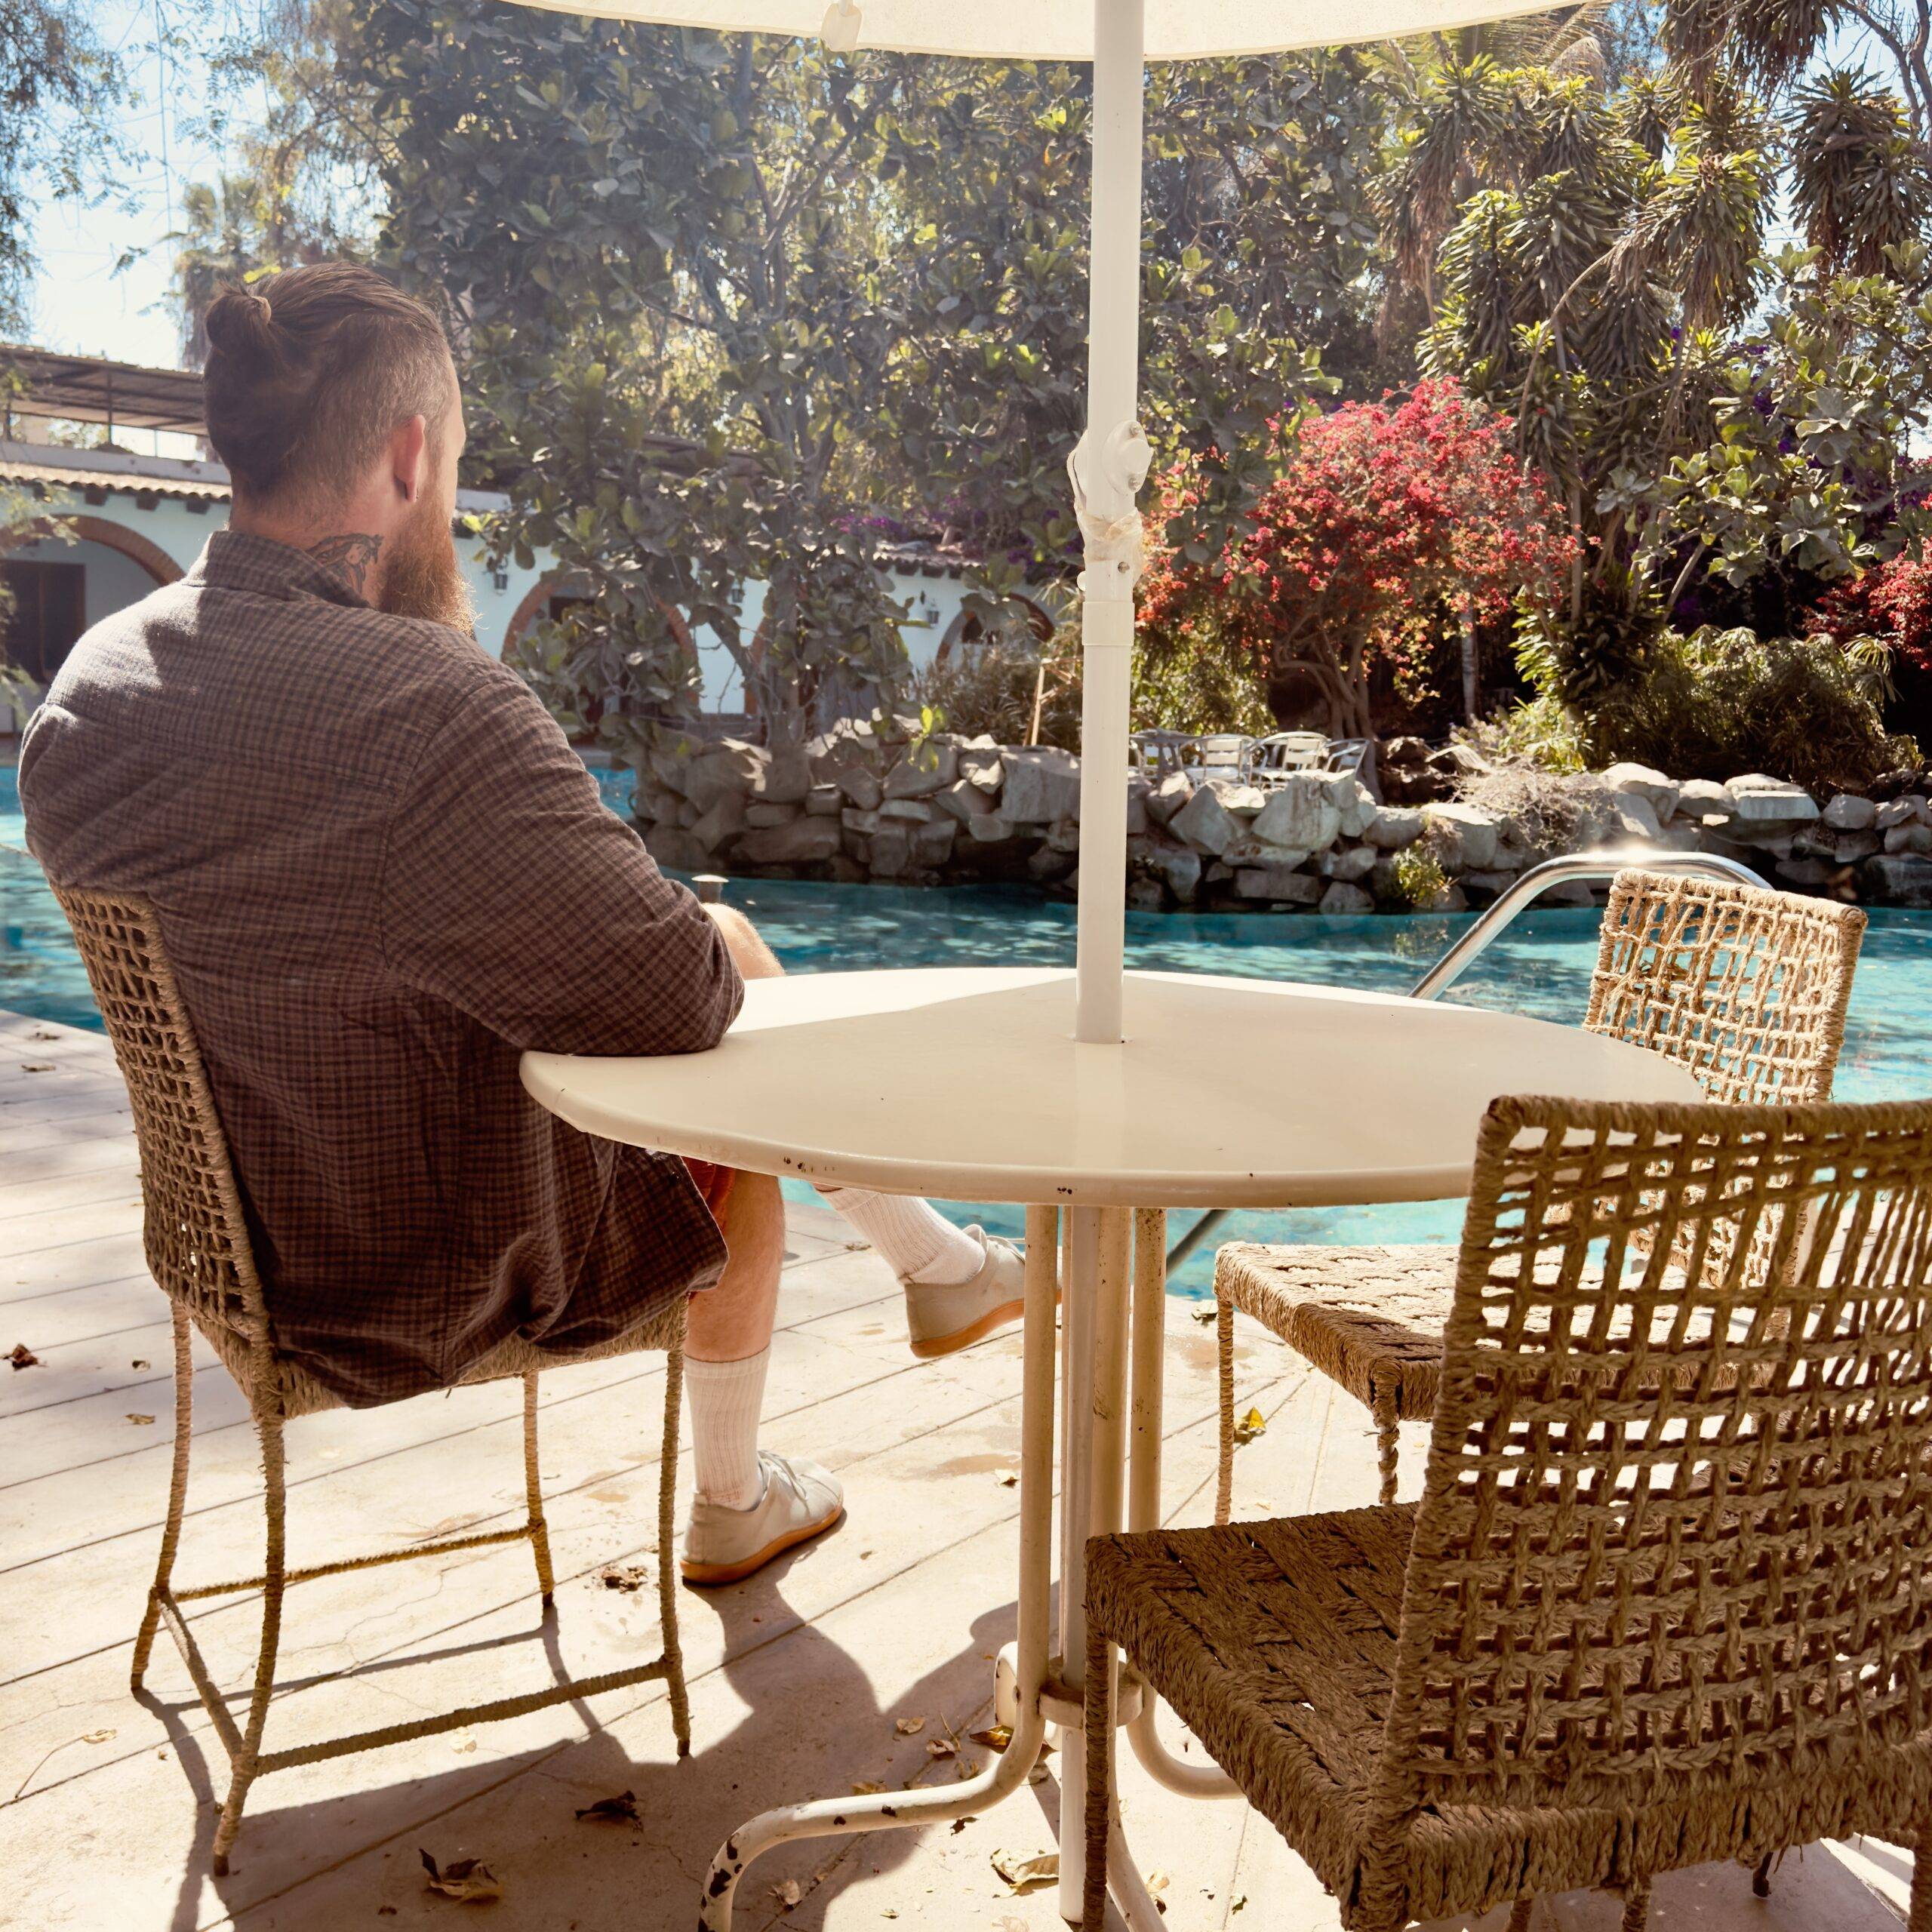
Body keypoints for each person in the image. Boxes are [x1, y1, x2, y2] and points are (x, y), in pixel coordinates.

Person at [18, 262, 1023, 1589]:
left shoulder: (90, 689)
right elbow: (679, 999)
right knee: (728, 1033)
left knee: (711, 953)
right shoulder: (425, 706)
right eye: (452, 464)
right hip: (417, 1277)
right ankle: (741, 1488)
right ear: (409, 454)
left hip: (236, 1251)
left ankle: (938, 1268)